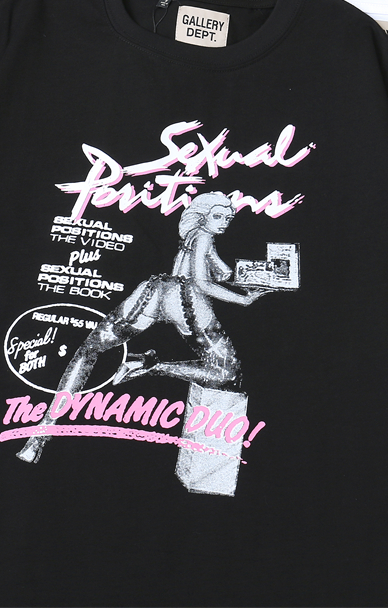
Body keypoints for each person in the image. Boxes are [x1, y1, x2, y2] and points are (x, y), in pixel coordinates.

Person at [17, 192, 268, 463]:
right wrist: (243, 300)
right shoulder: (205, 237)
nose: (224, 222)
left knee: (89, 350)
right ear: (202, 215)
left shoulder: (197, 235)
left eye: (228, 218)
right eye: (218, 216)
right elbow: (202, 282)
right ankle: (152, 366)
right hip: (187, 303)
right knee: (226, 372)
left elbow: (221, 273)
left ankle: (39, 437)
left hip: (153, 292)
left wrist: (256, 276)